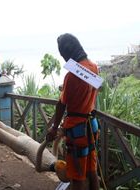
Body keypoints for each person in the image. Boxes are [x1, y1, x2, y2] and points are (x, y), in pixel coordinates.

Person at [46, 33, 100, 190]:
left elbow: (61, 104)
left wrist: (54, 127)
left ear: (68, 52)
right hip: (92, 126)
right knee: (91, 171)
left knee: (77, 178)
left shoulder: (71, 75)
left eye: (63, 54)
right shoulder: (94, 67)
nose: (63, 58)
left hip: (78, 132)